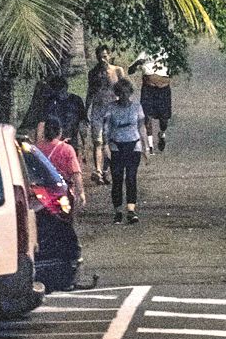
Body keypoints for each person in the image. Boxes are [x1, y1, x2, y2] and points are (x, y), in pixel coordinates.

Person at [34, 115, 90, 288]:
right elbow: (75, 174)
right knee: (66, 231)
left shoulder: (36, 149)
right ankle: (67, 272)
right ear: (60, 131)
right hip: (62, 196)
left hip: (39, 196)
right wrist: (81, 193)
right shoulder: (67, 150)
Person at [102, 78, 150, 224]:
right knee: (117, 179)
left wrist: (146, 147)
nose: (123, 96)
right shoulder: (111, 108)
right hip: (116, 145)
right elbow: (106, 129)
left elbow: (141, 127)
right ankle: (117, 211)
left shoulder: (137, 107)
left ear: (130, 93)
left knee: (131, 177)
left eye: (126, 93)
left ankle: (131, 210)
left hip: (133, 145)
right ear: (117, 93)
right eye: (120, 93)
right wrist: (105, 146)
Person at [85, 47, 125, 184]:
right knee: (98, 141)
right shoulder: (93, 73)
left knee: (111, 142)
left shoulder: (117, 71)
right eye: (100, 57)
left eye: (105, 56)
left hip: (113, 109)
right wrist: (86, 111)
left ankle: (106, 170)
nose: (103, 59)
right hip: (98, 109)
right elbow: (90, 92)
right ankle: (98, 171)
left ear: (109, 56)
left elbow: (125, 90)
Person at [131, 49, 172, 153]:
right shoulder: (144, 53)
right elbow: (130, 70)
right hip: (148, 89)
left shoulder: (167, 53)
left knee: (164, 120)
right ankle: (150, 147)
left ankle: (162, 134)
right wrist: (136, 64)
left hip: (163, 89)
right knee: (147, 116)